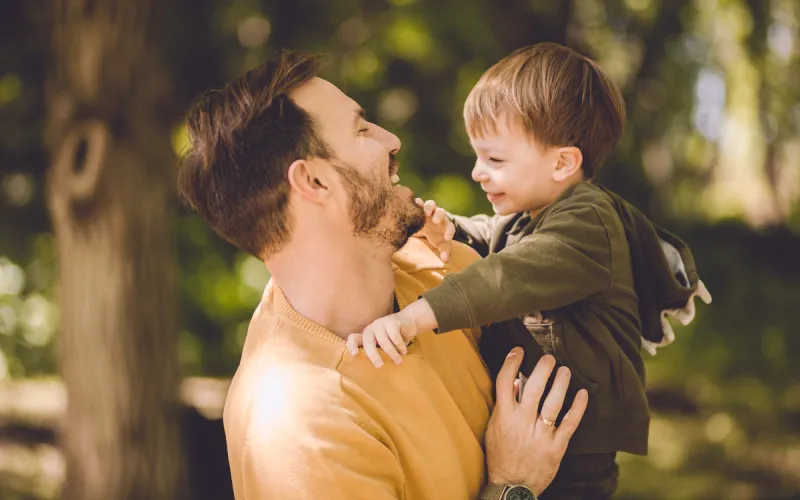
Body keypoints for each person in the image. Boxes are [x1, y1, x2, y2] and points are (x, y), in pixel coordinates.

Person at [176, 50, 588, 500]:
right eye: (361, 128)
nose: (391, 139)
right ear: (314, 182)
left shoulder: (439, 266)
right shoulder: (300, 427)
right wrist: (515, 485)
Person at [349, 43, 712, 499]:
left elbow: (508, 274)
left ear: (563, 162)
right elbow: (490, 236)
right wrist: (443, 227)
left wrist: (415, 318)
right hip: (542, 426)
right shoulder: (532, 215)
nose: (478, 173)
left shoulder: (588, 224)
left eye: (495, 159)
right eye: (478, 156)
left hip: (573, 448)